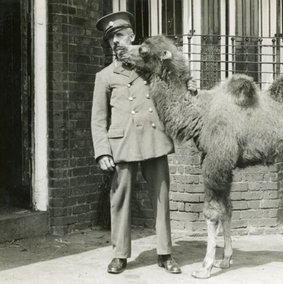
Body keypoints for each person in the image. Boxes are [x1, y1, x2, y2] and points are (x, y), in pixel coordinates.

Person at [92, 11, 196, 275]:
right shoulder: (104, 76)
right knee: (120, 199)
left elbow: (178, 72)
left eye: (119, 35)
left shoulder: (152, 66)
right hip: (123, 142)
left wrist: (190, 82)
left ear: (132, 36)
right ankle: (119, 255)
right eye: (110, 39)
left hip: (153, 139)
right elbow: (98, 119)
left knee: (161, 197)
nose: (115, 41)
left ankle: (165, 253)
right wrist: (102, 151)